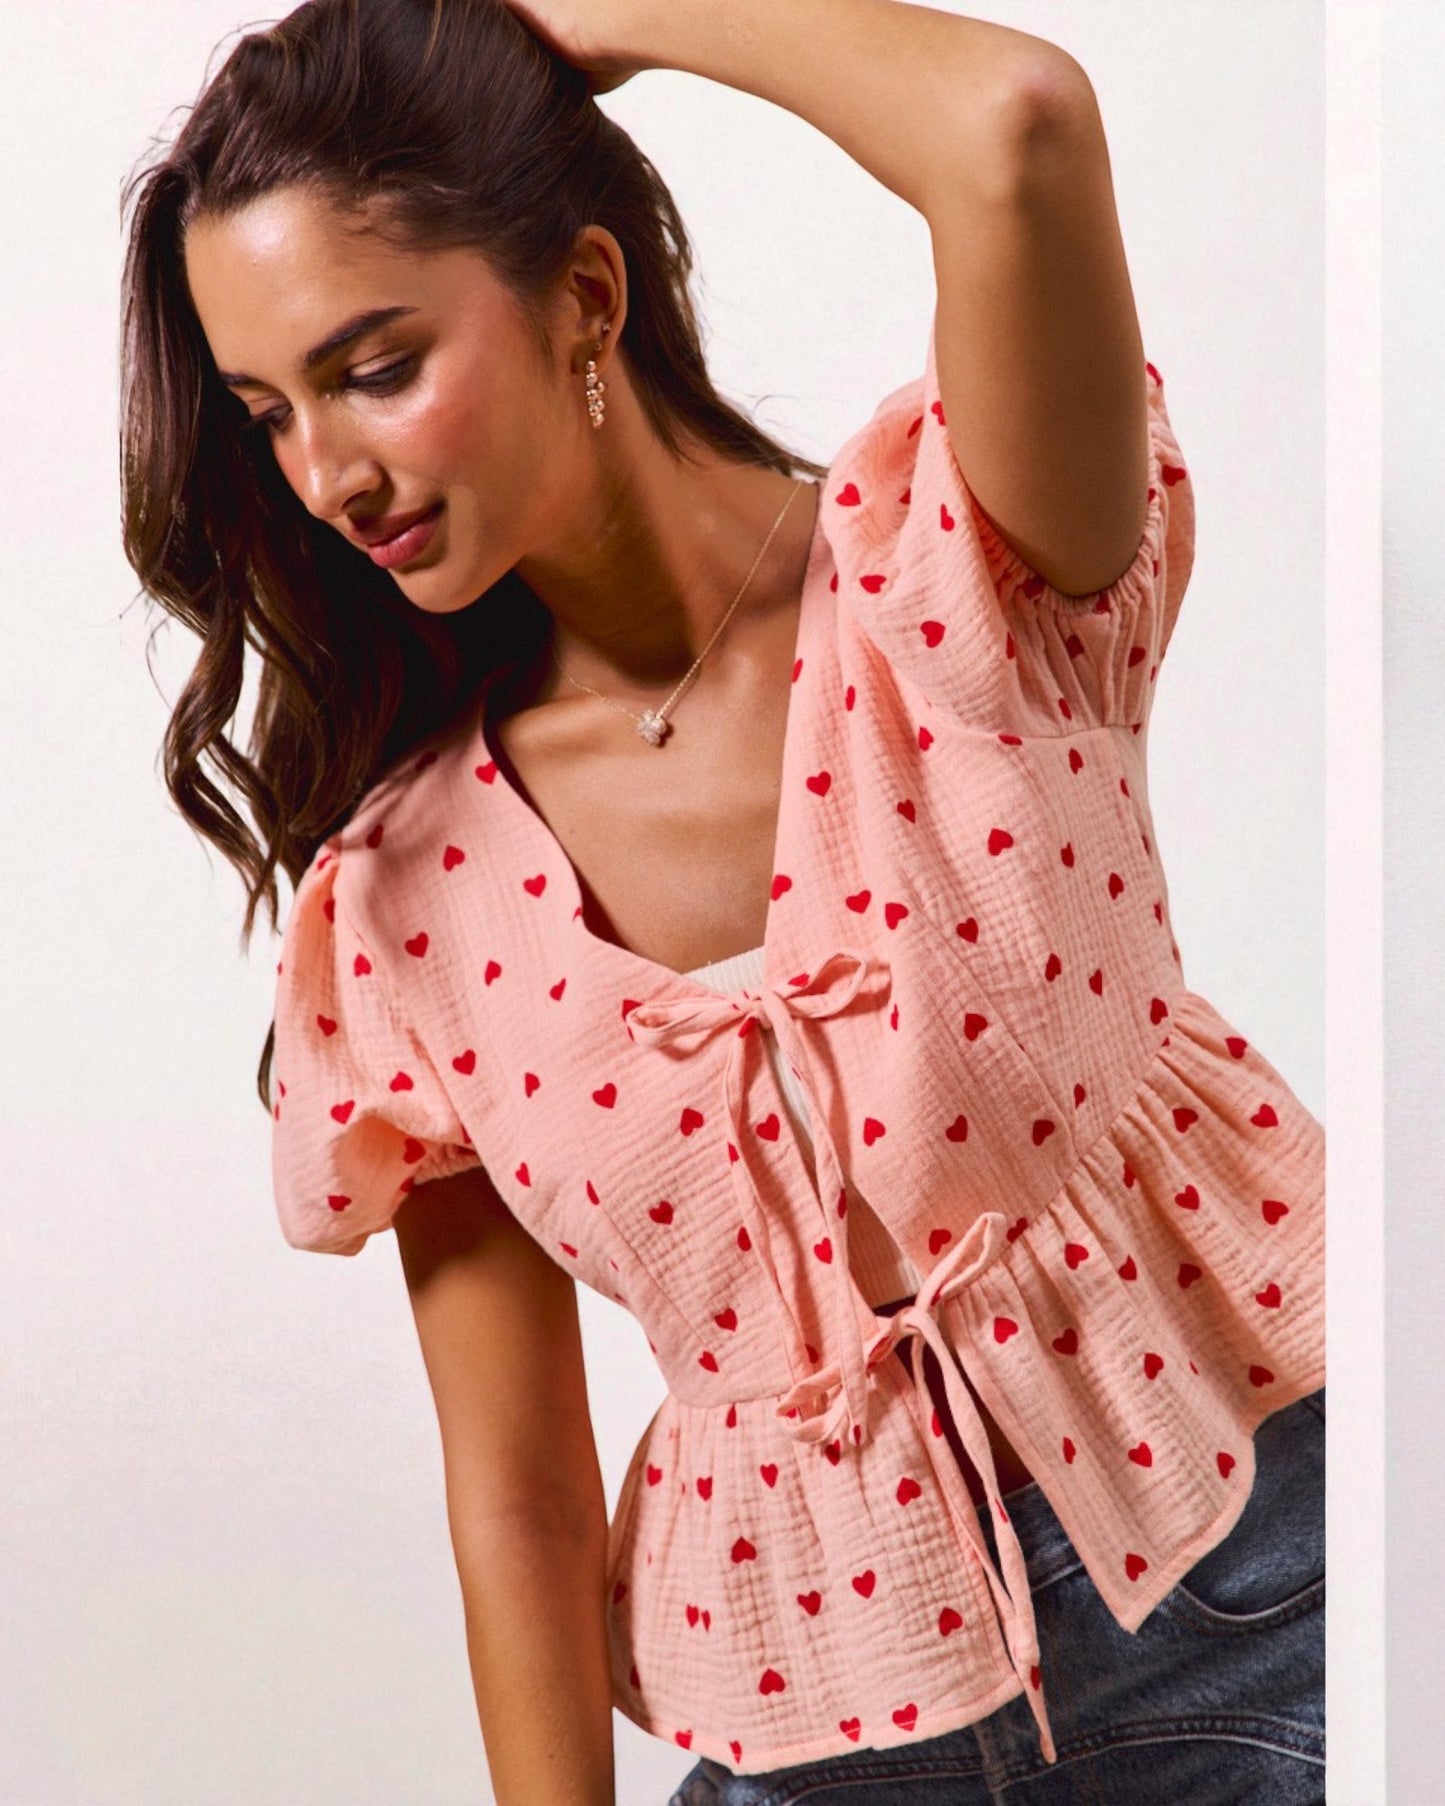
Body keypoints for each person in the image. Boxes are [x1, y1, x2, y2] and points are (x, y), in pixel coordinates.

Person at [118, 1, 1326, 1801]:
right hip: (821, 1735)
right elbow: (521, 1501)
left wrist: (621, 16)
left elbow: (1015, 123)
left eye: (373, 364)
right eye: (268, 410)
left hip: (1272, 1613)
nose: (325, 472)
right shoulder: (401, 899)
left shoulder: (961, 573)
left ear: (584, 296)